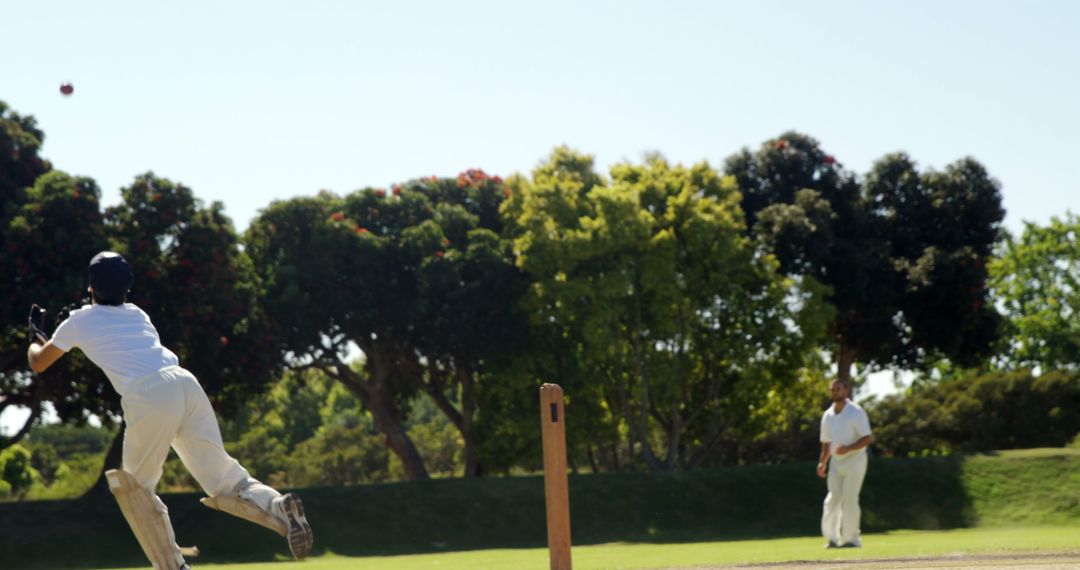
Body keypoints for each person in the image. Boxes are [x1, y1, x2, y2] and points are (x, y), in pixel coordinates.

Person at [27, 251, 313, 569]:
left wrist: (36, 338)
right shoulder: (138, 314)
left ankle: (173, 566)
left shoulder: (78, 320)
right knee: (225, 477)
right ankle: (278, 504)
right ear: (128, 290)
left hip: (147, 393)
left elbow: (39, 362)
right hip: (184, 383)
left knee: (134, 489)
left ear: (91, 286)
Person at [816, 377, 872, 549]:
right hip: (836, 463)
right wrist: (822, 463)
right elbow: (826, 443)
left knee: (849, 499)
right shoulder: (828, 415)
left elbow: (867, 438)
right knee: (832, 499)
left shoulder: (856, 412)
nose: (835, 392)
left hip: (855, 461)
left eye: (838, 389)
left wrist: (848, 448)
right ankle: (832, 538)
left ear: (845, 391)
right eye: (833, 389)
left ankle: (851, 539)